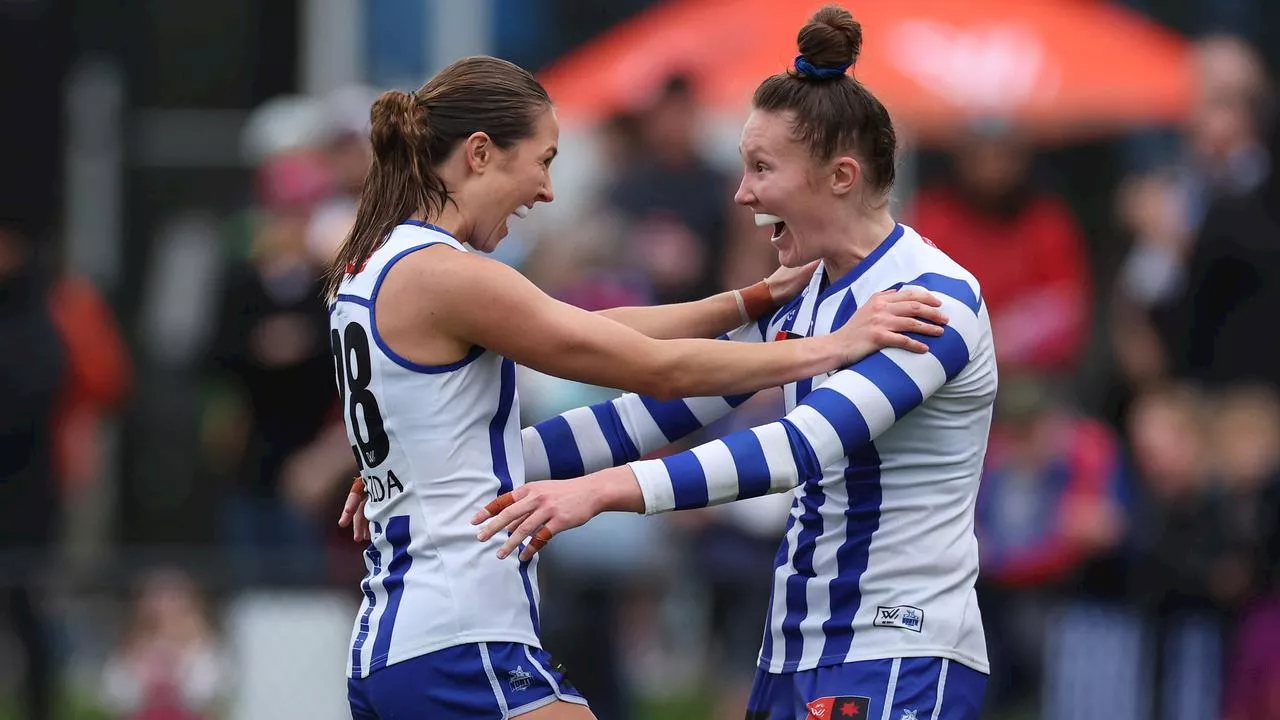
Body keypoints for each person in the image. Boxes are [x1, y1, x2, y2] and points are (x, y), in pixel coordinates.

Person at [327, 53, 949, 720]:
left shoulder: (371, 265)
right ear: (480, 154)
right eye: (543, 160)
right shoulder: (445, 273)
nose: (547, 190)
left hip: (396, 642)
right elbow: (655, 368)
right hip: (458, 637)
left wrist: (747, 301)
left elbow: (589, 326)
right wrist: (834, 346)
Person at [473, 7, 997, 719]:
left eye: (761, 169)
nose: (741, 194)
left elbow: (799, 447)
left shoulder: (934, 300)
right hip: (793, 650)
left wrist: (599, 492)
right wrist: (467, 463)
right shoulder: (800, 294)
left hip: (896, 646)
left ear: (841, 176)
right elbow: (652, 412)